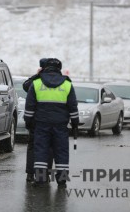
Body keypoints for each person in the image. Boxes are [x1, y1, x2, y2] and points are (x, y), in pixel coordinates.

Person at [24, 58, 79, 188]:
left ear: (44, 68)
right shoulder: (67, 84)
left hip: (41, 125)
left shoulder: (36, 83)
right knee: (61, 151)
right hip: (60, 125)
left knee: (41, 151)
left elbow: (29, 106)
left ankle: (41, 179)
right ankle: (62, 179)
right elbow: (73, 106)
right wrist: (75, 123)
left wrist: (28, 122)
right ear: (59, 69)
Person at [23, 58, 54, 183]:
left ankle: (30, 174)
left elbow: (26, 86)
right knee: (49, 147)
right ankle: (44, 174)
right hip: (53, 121)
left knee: (33, 147)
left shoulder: (37, 81)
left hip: (37, 120)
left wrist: (37, 75)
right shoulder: (59, 80)